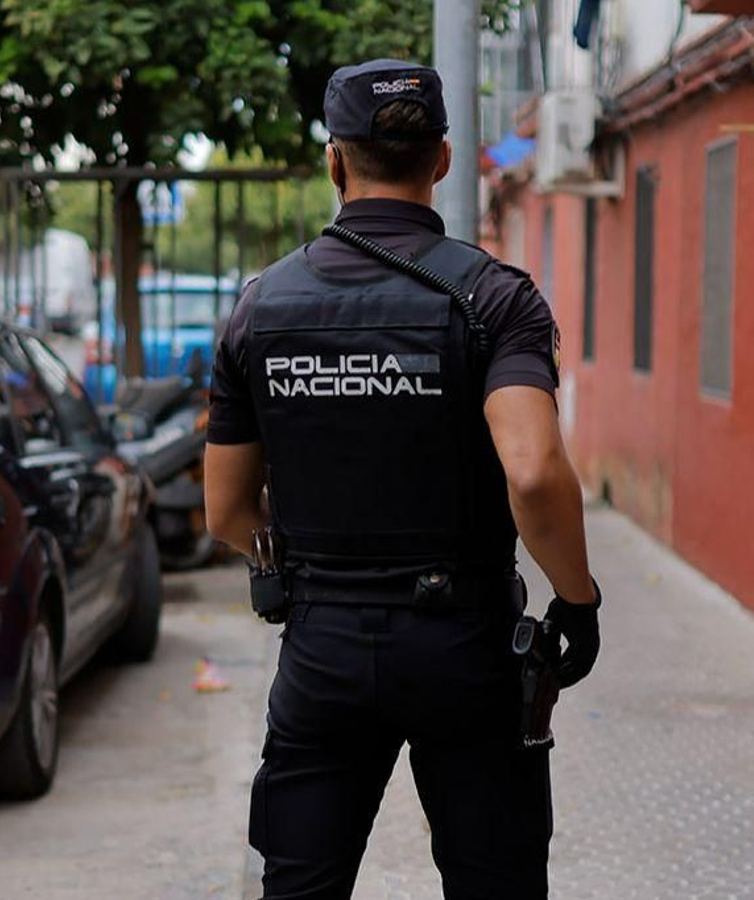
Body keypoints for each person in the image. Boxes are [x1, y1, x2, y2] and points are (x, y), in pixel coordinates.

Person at [203, 60, 602, 898]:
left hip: (322, 649)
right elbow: (532, 474)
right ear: (444, 159)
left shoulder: (258, 307)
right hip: (465, 646)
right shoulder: (497, 299)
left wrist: (303, 568)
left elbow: (227, 511)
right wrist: (578, 599)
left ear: (334, 162)